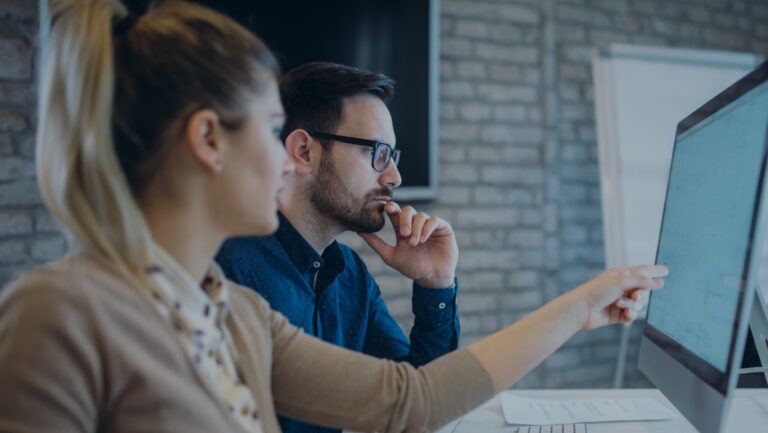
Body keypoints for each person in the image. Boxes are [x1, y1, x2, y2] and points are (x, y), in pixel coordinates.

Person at [0, 1, 667, 433]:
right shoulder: (57, 312)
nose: (284, 159)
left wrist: (580, 307)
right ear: (208, 140)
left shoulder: (229, 313)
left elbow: (412, 400)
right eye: (269, 131)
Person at [215, 63, 461, 433]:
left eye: (393, 156)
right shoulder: (226, 271)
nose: (394, 177)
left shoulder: (350, 274)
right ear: (303, 151)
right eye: (378, 153)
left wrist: (436, 285)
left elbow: (420, 407)